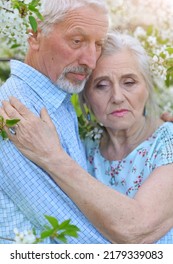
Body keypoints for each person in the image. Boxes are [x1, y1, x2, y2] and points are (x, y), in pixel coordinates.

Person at [1, 31, 173, 244]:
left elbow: (137, 232)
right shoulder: (85, 147)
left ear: (147, 88)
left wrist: (52, 156)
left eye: (129, 82)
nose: (117, 97)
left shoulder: (167, 142)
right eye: (101, 85)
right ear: (86, 98)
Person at [0, 0, 110, 243]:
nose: (91, 61)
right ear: (34, 34)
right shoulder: (15, 111)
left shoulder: (57, 100)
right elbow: (76, 235)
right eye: (77, 41)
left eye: (98, 44)